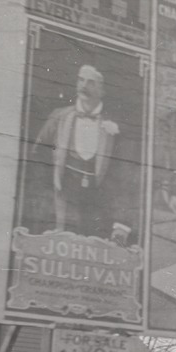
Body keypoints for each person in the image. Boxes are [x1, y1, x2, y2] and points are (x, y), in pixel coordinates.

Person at [34, 64, 130, 244]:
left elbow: (122, 180)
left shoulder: (115, 127)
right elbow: (38, 156)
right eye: (81, 80)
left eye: (91, 82)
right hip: (62, 203)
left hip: (97, 208)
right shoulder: (59, 117)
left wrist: (121, 224)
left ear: (103, 90)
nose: (83, 86)